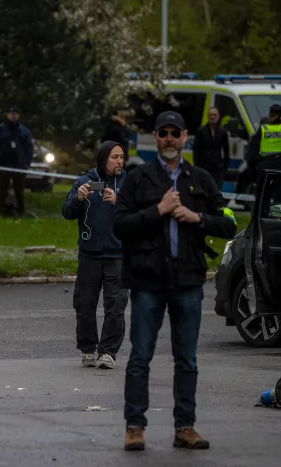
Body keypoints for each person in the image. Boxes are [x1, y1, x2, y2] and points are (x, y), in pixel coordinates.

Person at [113, 111, 237, 451]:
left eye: (175, 133)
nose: (169, 139)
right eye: (163, 133)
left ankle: (185, 427)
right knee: (140, 357)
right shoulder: (138, 178)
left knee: (187, 360)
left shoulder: (200, 178)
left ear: (185, 138)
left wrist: (198, 217)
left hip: (188, 281)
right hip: (147, 281)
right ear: (156, 137)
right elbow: (119, 225)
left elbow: (228, 223)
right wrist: (159, 210)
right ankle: (134, 427)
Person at [62, 141, 127, 369]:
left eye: (121, 157)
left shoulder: (129, 183)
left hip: (118, 255)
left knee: (115, 305)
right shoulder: (85, 182)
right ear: (103, 159)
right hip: (89, 255)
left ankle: (108, 352)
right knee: (85, 304)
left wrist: (120, 202)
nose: (120, 161)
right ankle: (88, 348)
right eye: (114, 157)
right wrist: (79, 199)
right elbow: (67, 212)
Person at [0, 106, 34, 217]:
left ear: (19, 115)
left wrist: (27, 163)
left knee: (19, 190)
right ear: (7, 115)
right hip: (3, 164)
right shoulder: (0, 129)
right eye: (11, 113)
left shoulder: (24, 130)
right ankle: (2, 211)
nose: (13, 116)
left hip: (19, 165)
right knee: (2, 189)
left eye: (16, 113)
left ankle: (21, 211)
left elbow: (29, 147)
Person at [193, 106, 230, 190]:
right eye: (210, 115)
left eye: (214, 115)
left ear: (218, 116)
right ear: (208, 116)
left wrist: (225, 165)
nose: (212, 117)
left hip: (218, 167)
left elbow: (226, 150)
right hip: (204, 167)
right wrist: (198, 166)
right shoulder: (201, 131)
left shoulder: (222, 132)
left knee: (216, 190)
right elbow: (196, 151)